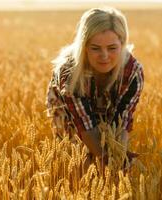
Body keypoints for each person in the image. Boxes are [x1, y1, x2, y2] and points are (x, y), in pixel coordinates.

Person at [46, 7, 144, 168]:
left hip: (108, 107)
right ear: (84, 46)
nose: (104, 56)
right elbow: (84, 124)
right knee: (79, 156)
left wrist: (118, 155)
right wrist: (106, 160)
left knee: (111, 145)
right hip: (68, 113)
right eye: (95, 48)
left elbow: (123, 118)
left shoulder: (133, 72)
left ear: (122, 44)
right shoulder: (68, 72)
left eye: (112, 48)